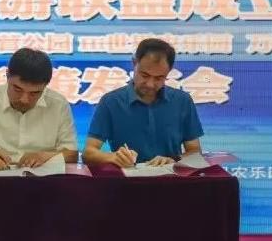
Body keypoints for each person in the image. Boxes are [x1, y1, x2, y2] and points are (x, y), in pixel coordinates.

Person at [0, 48, 79, 170]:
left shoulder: (58, 104)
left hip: (43, 180)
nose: (24, 99)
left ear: (46, 85)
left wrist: (45, 156)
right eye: (17, 89)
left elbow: (72, 154)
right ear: (7, 75)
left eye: (34, 93)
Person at [83, 38, 203, 168]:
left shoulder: (182, 101)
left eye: (159, 78)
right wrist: (113, 157)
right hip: (127, 178)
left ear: (169, 72)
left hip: (171, 177)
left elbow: (195, 152)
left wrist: (174, 161)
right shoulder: (111, 102)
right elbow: (88, 153)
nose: (150, 84)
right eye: (144, 75)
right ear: (134, 63)